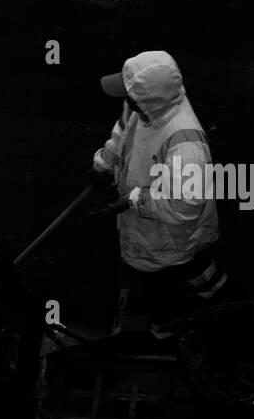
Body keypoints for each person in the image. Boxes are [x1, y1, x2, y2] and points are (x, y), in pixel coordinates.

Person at [88, 50, 231, 342]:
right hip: (158, 226)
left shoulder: (186, 143)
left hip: (167, 231)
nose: (124, 98)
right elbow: (123, 131)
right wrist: (105, 161)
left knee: (162, 278)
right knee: (191, 264)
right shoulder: (144, 105)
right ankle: (221, 293)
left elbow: (183, 206)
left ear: (148, 99)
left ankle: (167, 332)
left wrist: (132, 199)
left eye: (129, 93)